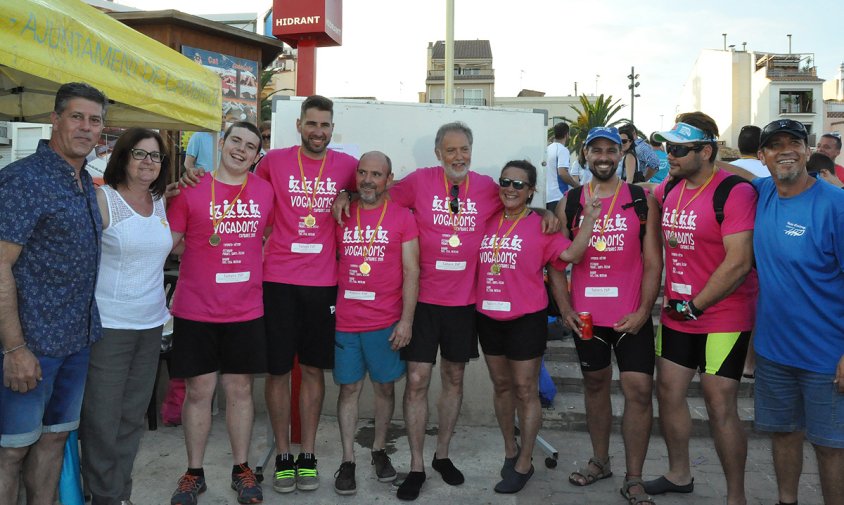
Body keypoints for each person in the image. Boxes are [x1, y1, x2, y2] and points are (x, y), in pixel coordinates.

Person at [333, 122, 559, 501]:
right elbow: (375, 189)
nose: (458, 156)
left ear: (472, 151)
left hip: (464, 305)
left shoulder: (487, 187)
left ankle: (442, 455)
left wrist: (545, 213)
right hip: (422, 302)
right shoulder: (419, 182)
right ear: (438, 153)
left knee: (454, 378)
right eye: (451, 150)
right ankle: (417, 465)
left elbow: (516, 199)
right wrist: (345, 191)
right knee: (418, 381)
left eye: (464, 149)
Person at [0, 82, 106, 504]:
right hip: (31, 347)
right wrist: (14, 349)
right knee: (10, 451)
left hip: (76, 341)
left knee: (54, 442)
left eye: (94, 120)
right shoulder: (23, 180)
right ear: (55, 119)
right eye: (76, 117)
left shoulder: (84, 182)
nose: (85, 127)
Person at [645, 113, 758, 505]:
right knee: (669, 391)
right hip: (678, 313)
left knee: (718, 402)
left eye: (678, 149)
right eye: (667, 147)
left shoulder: (734, 192)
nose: (669, 155)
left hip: (723, 315)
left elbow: (739, 261)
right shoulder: (668, 188)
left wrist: (697, 305)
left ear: (706, 151)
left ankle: (735, 496)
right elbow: (636, 193)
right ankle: (679, 475)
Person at [730, 119, 844, 505]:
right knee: (784, 434)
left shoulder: (836, 205)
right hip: (774, 352)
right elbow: (716, 171)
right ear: (761, 156)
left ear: (808, 150)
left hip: (827, 356)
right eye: (774, 145)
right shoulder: (760, 193)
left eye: (794, 142)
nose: (786, 151)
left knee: (831, 446)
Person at [256, 96, 358, 493]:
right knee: (278, 369)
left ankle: (309, 453)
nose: (319, 132)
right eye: (312, 124)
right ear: (299, 125)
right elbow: (243, 197)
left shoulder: (347, 166)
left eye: (325, 125)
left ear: (333, 129)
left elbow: (378, 189)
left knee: (314, 369)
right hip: (277, 279)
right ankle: (284, 453)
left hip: (323, 283)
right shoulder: (274, 162)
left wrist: (347, 195)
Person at [167, 122, 273, 505]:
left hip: (245, 309)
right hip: (196, 310)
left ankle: (242, 470)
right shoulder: (192, 189)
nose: (241, 150)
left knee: (240, 391)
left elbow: (283, 234)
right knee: (199, 392)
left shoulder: (265, 192)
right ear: (222, 144)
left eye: (250, 146)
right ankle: (194, 473)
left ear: (256, 155)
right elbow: (170, 242)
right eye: (236, 142)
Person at [555, 127, 662, 505]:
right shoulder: (569, 202)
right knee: (595, 386)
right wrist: (565, 308)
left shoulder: (639, 198)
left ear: (621, 154)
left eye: (611, 150)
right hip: (586, 318)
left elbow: (653, 262)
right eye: (596, 150)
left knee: (639, 390)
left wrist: (643, 311)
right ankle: (600, 461)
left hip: (630, 315)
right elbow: (557, 264)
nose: (603, 157)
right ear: (585, 155)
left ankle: (635, 477)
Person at [478, 160, 598, 493]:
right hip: (487, 316)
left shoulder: (542, 226)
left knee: (525, 390)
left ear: (531, 191)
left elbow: (570, 256)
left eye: (519, 185)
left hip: (525, 319)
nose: (511, 189)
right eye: (506, 182)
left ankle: (525, 461)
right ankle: (509, 449)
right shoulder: (486, 219)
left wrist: (587, 222)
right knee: (501, 387)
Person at [79, 128, 173, 505]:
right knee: (102, 420)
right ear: (123, 157)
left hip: (151, 325)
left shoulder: (161, 199)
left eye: (155, 156)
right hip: (110, 327)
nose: (148, 162)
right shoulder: (103, 198)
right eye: (140, 154)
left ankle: (119, 493)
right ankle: (103, 495)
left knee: (132, 417)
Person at [332, 151, 419, 495]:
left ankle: (380, 450)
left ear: (389, 179)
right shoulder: (340, 212)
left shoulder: (402, 217)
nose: (368, 180)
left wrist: (406, 321)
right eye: (363, 173)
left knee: (384, 388)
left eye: (376, 175)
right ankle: (348, 459)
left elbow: (412, 270)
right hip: (347, 320)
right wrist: (342, 195)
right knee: (349, 389)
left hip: (385, 321)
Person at [545, 122, 577, 211]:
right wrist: (576, 186)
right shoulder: (563, 150)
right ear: (567, 134)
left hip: (546, 197)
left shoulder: (547, 149)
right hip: (558, 196)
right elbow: (562, 173)